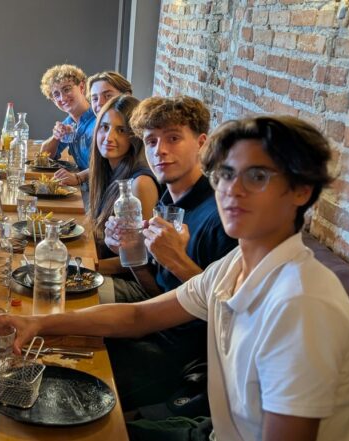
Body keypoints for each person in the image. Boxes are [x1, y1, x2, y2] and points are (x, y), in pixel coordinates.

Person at [0, 115, 349, 441]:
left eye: (257, 176)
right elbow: (140, 316)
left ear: (302, 190)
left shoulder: (301, 304)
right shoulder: (234, 265)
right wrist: (35, 323)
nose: (233, 190)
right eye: (226, 174)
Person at [100, 96, 238, 412]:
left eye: (173, 138)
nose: (160, 150)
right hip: (153, 329)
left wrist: (177, 260)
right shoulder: (168, 202)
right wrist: (131, 255)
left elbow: (231, 318)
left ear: (201, 143)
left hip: (187, 360)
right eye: (151, 141)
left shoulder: (221, 217)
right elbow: (157, 292)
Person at [87, 95, 159, 264]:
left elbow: (141, 258)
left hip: (125, 277)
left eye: (121, 130)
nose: (108, 137)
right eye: (105, 127)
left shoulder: (140, 183)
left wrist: (89, 267)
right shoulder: (107, 171)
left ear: (135, 136)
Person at [39, 64, 96, 192]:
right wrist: (56, 137)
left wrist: (78, 177)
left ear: (82, 87)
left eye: (67, 89)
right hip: (85, 189)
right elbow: (44, 156)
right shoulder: (69, 122)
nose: (62, 98)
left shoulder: (99, 120)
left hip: (106, 190)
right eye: (56, 94)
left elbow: (108, 164)